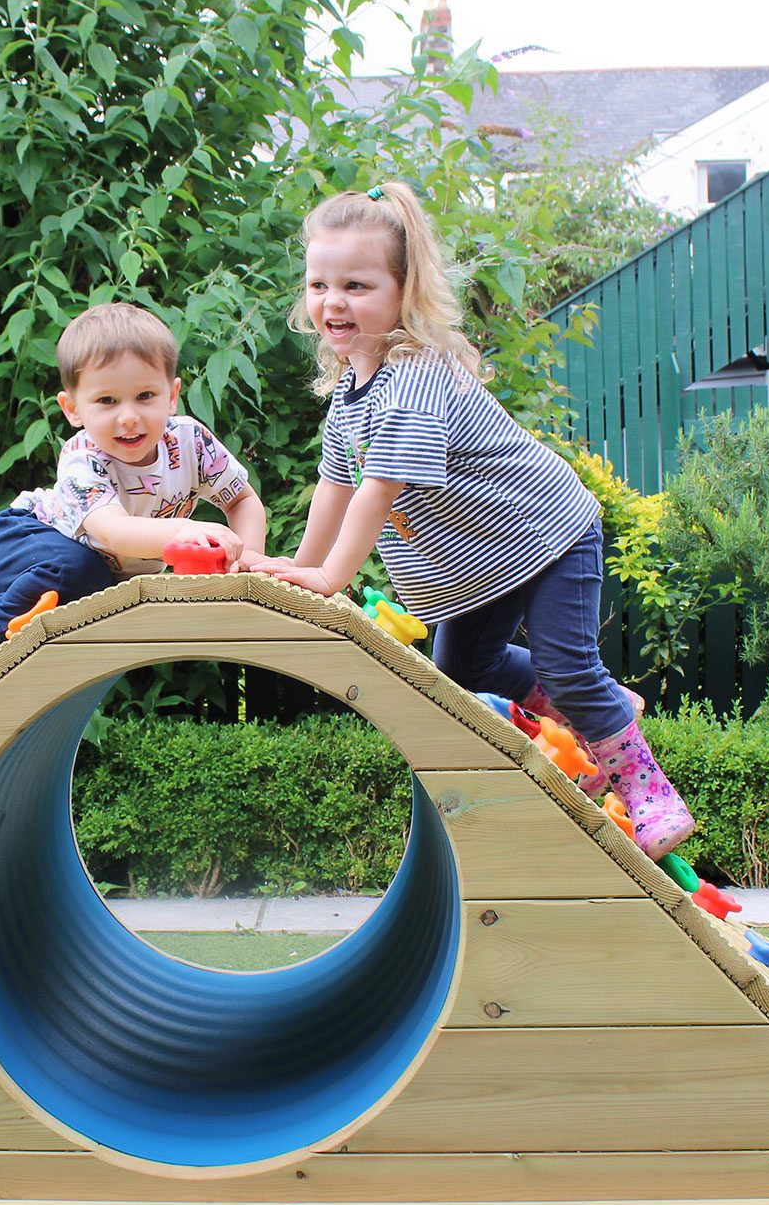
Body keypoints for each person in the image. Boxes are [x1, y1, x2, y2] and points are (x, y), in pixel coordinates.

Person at [248, 182, 693, 858]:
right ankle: (596, 707)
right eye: (319, 284)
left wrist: (328, 579)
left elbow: (375, 491)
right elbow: (334, 486)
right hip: (481, 564)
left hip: (546, 535)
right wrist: (303, 566)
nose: (333, 301)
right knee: (463, 669)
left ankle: (649, 790)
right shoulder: (349, 393)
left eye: (357, 286)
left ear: (405, 289)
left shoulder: (414, 376)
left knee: (566, 663)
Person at [0, 302, 267, 728]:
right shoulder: (82, 458)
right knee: (83, 570)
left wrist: (245, 561)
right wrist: (187, 528)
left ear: (173, 394)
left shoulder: (190, 443)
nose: (129, 416)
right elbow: (113, 532)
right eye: (106, 400)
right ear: (73, 409)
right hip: (27, 538)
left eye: (146, 396)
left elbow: (242, 501)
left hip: (91, 574)